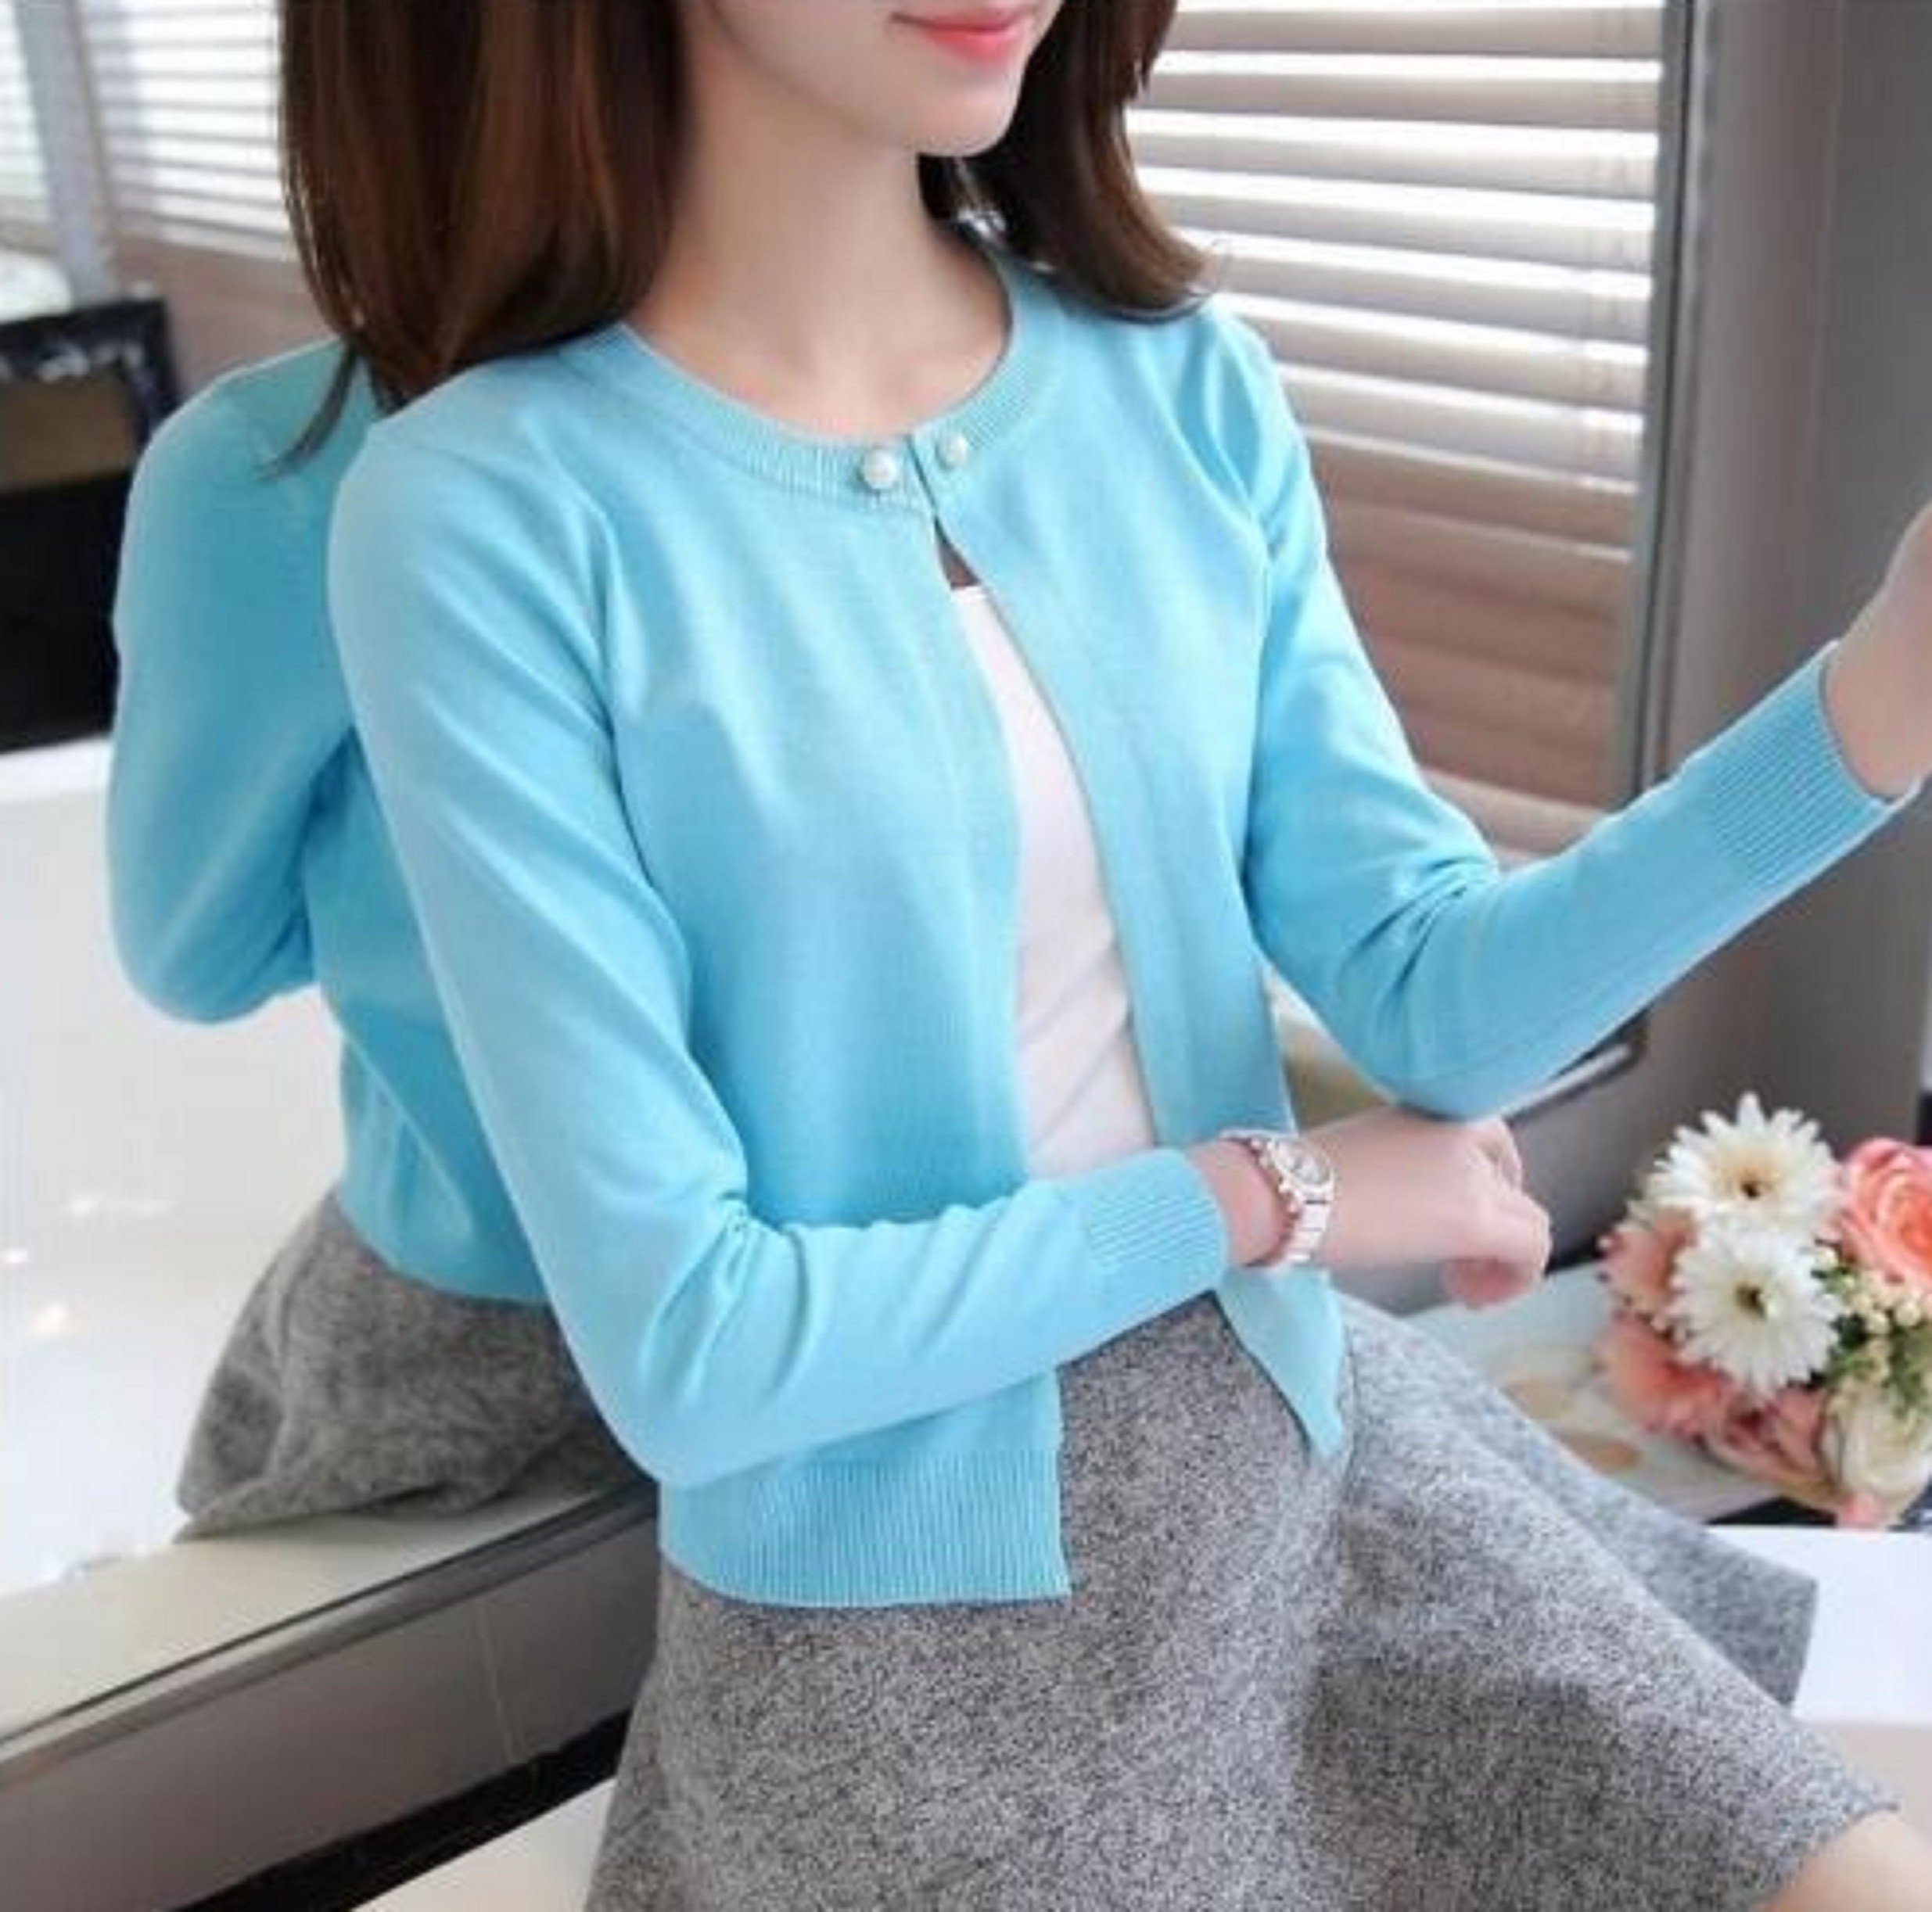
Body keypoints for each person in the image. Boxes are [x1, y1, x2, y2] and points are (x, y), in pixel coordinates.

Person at [286, 0, 1932, 1904]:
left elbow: (1433, 986)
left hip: (1306, 1471)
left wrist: (1875, 700)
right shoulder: (483, 512)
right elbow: (693, 1350)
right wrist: (1271, 1193)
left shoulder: (1174, 382)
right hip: (910, 1668)